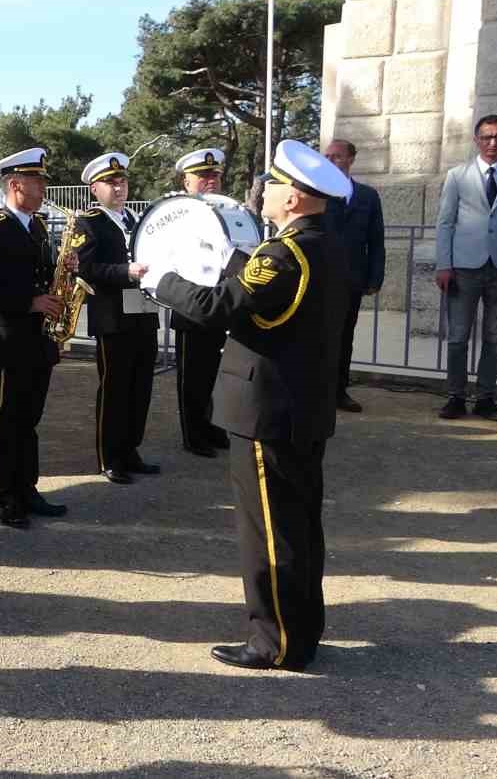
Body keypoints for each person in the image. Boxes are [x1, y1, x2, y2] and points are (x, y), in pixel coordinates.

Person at [141, 139, 351, 671]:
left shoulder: (283, 254)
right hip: (300, 408)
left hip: (267, 411)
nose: (266, 191)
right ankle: (302, 630)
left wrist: (162, 278)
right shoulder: (323, 244)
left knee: (269, 531)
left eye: (276, 185)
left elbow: (218, 306)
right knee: (299, 526)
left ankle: (274, 641)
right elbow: (261, 291)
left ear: (297, 199)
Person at [0, 148, 70, 527]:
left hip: (39, 339)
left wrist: (64, 269)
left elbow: (42, 275)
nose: (44, 186)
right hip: (11, 338)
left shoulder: (39, 226)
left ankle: (27, 488)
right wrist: (29, 302)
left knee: (30, 419)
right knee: (6, 420)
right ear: (15, 184)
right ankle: (4, 495)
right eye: (37, 180)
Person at [434, 114, 497, 422]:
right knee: (458, 336)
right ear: (476, 140)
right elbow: (445, 223)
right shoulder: (457, 175)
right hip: (463, 267)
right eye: (486, 137)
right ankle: (455, 397)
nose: (492, 142)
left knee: (495, 336)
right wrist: (443, 264)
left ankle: (486, 398)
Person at [77, 153, 159, 484]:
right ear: (95, 188)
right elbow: (86, 269)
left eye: (122, 181)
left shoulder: (137, 219)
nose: (119, 187)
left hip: (142, 309)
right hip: (112, 315)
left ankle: (131, 449)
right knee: (115, 387)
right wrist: (125, 271)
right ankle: (109, 455)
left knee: (141, 385)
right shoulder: (90, 222)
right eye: (111, 182)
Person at [171, 149, 232, 457]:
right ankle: (193, 434)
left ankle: (213, 427)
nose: (210, 181)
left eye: (215, 175)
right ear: (186, 181)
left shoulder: (226, 211)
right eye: (203, 176)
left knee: (217, 372)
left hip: (221, 302)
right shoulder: (176, 213)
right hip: (191, 304)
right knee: (192, 376)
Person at [323, 139, 386, 413]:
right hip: (319, 279)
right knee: (318, 336)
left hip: (351, 279)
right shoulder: (317, 192)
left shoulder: (367, 196)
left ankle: (339, 391)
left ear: (351, 159)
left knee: (344, 337)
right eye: (327, 156)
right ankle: (316, 391)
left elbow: (376, 239)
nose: (331, 161)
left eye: (336, 156)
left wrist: (374, 278)